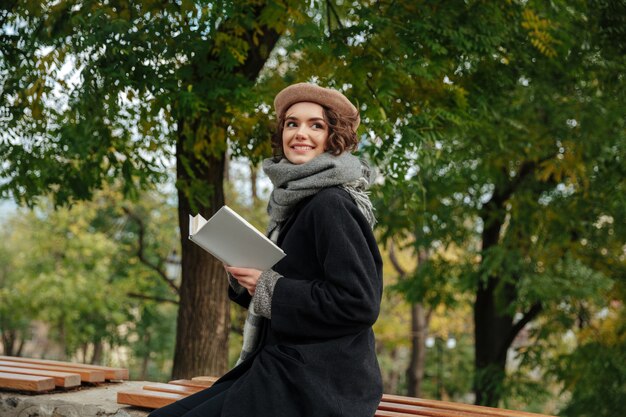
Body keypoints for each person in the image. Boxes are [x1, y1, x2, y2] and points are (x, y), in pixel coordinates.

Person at [149, 82, 383, 417]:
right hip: (280, 365)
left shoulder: (332, 203)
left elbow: (359, 303)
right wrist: (248, 277)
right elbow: (291, 285)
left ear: (334, 139)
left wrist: (269, 288)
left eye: (316, 125)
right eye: (292, 123)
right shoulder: (294, 202)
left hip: (321, 380)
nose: (300, 133)